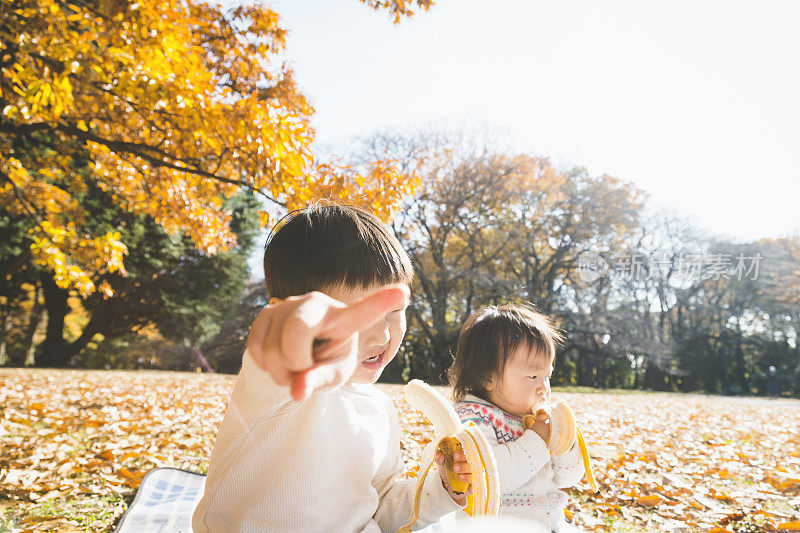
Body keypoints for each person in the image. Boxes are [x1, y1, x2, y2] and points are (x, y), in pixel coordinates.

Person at [192, 203, 471, 533]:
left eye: (393, 310)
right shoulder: (280, 383)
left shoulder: (379, 409)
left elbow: (381, 507)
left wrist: (442, 491)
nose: (381, 334)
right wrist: (300, 332)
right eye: (353, 315)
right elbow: (278, 342)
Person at [448, 304, 586, 533]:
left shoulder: (537, 420)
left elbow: (568, 479)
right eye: (533, 376)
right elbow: (493, 476)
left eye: (547, 377)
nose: (544, 388)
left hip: (553, 524)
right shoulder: (473, 419)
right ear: (487, 377)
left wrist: (565, 445)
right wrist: (538, 441)